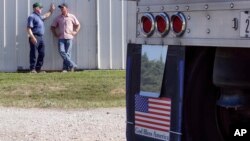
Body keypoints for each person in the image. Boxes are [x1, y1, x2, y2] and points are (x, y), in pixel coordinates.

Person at [51, 3, 81, 72]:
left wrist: (75, 32)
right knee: (62, 51)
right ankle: (72, 65)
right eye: (61, 8)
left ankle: (65, 69)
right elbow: (52, 27)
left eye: (63, 8)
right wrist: (55, 34)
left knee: (67, 53)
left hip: (69, 37)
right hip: (61, 38)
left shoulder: (71, 16)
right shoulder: (58, 18)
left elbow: (78, 25)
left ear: (66, 9)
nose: (61, 9)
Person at [27, 2, 55, 73]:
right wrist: (32, 37)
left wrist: (51, 10)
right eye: (40, 8)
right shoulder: (32, 16)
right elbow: (28, 28)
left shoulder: (39, 16)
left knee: (42, 53)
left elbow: (46, 15)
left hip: (40, 38)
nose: (41, 9)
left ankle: (38, 69)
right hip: (34, 36)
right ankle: (32, 69)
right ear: (36, 8)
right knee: (33, 53)